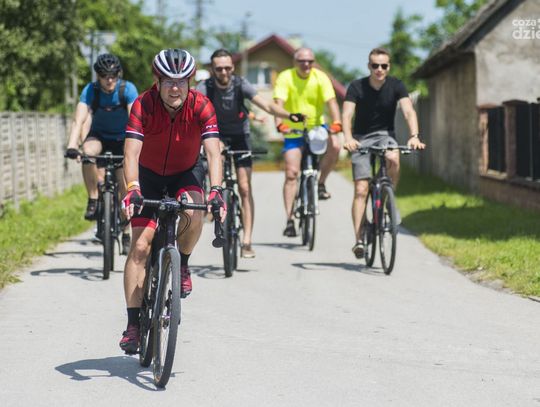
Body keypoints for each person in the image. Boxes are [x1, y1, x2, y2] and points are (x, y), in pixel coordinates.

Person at [119, 48, 225, 354]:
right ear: (158, 81)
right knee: (140, 247)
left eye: (180, 81)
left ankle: (183, 264)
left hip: (185, 172)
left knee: (194, 209)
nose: (175, 88)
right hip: (148, 176)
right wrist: (132, 187)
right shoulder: (143, 104)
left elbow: (213, 152)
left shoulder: (202, 105)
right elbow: (131, 153)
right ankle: (133, 325)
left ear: (189, 82)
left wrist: (216, 189)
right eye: (168, 81)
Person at [196, 48, 304, 258]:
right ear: (212, 70)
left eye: (228, 68)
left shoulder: (240, 84)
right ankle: (216, 204)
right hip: (215, 135)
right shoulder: (204, 87)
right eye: (219, 69)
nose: (224, 72)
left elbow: (267, 105)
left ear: (233, 67)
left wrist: (289, 115)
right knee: (216, 164)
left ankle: (247, 241)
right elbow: (192, 110)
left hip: (240, 136)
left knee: (245, 188)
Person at [342, 47, 426, 258]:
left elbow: (408, 111)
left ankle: (389, 198)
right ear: (369, 66)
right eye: (375, 65)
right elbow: (347, 114)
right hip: (360, 138)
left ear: (388, 67)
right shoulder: (356, 86)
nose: (379, 69)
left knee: (393, 157)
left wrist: (414, 136)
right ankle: (359, 239)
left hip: (384, 135)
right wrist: (348, 138)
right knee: (361, 190)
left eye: (383, 65)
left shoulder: (396, 85)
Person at [65, 53, 138, 252]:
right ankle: (93, 198)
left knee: (124, 190)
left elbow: (135, 119)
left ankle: (126, 231)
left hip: (122, 139)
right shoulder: (91, 90)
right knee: (88, 153)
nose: (109, 80)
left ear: (118, 74)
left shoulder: (127, 89)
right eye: (105, 76)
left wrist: (137, 147)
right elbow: (78, 120)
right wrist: (72, 146)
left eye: (113, 75)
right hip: (99, 136)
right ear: (98, 76)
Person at [273, 47, 342, 237]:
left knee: (336, 145)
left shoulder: (320, 77)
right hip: (293, 130)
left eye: (310, 61)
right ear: (295, 62)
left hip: (316, 128)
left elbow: (332, 103)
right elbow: (278, 104)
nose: (306, 64)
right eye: (302, 61)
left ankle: (321, 183)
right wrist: (279, 124)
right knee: (291, 173)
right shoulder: (285, 77)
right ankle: (289, 220)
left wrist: (337, 122)